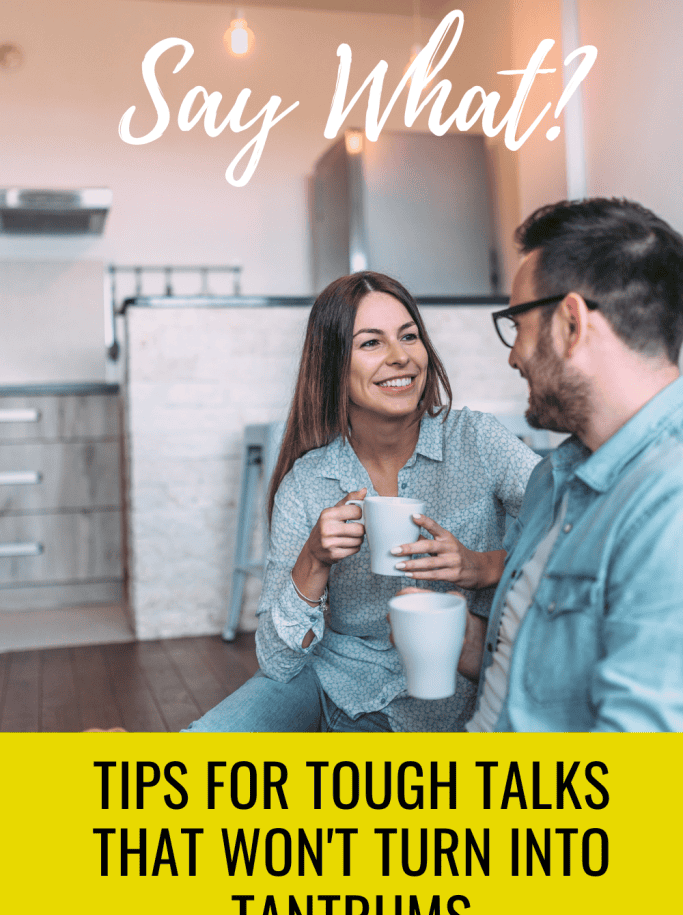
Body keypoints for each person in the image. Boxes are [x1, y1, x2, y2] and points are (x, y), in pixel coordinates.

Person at [184, 271, 539, 732]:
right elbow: (276, 661)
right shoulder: (309, 481)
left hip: (455, 697)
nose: (401, 358)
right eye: (371, 343)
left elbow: (577, 526)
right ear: (334, 365)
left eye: (409, 337)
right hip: (337, 687)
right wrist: (313, 559)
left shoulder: (477, 440)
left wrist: (484, 565)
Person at [451, 197, 683, 732]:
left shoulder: (668, 502)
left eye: (517, 324)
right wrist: (472, 643)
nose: (513, 355)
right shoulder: (551, 477)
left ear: (571, 323)